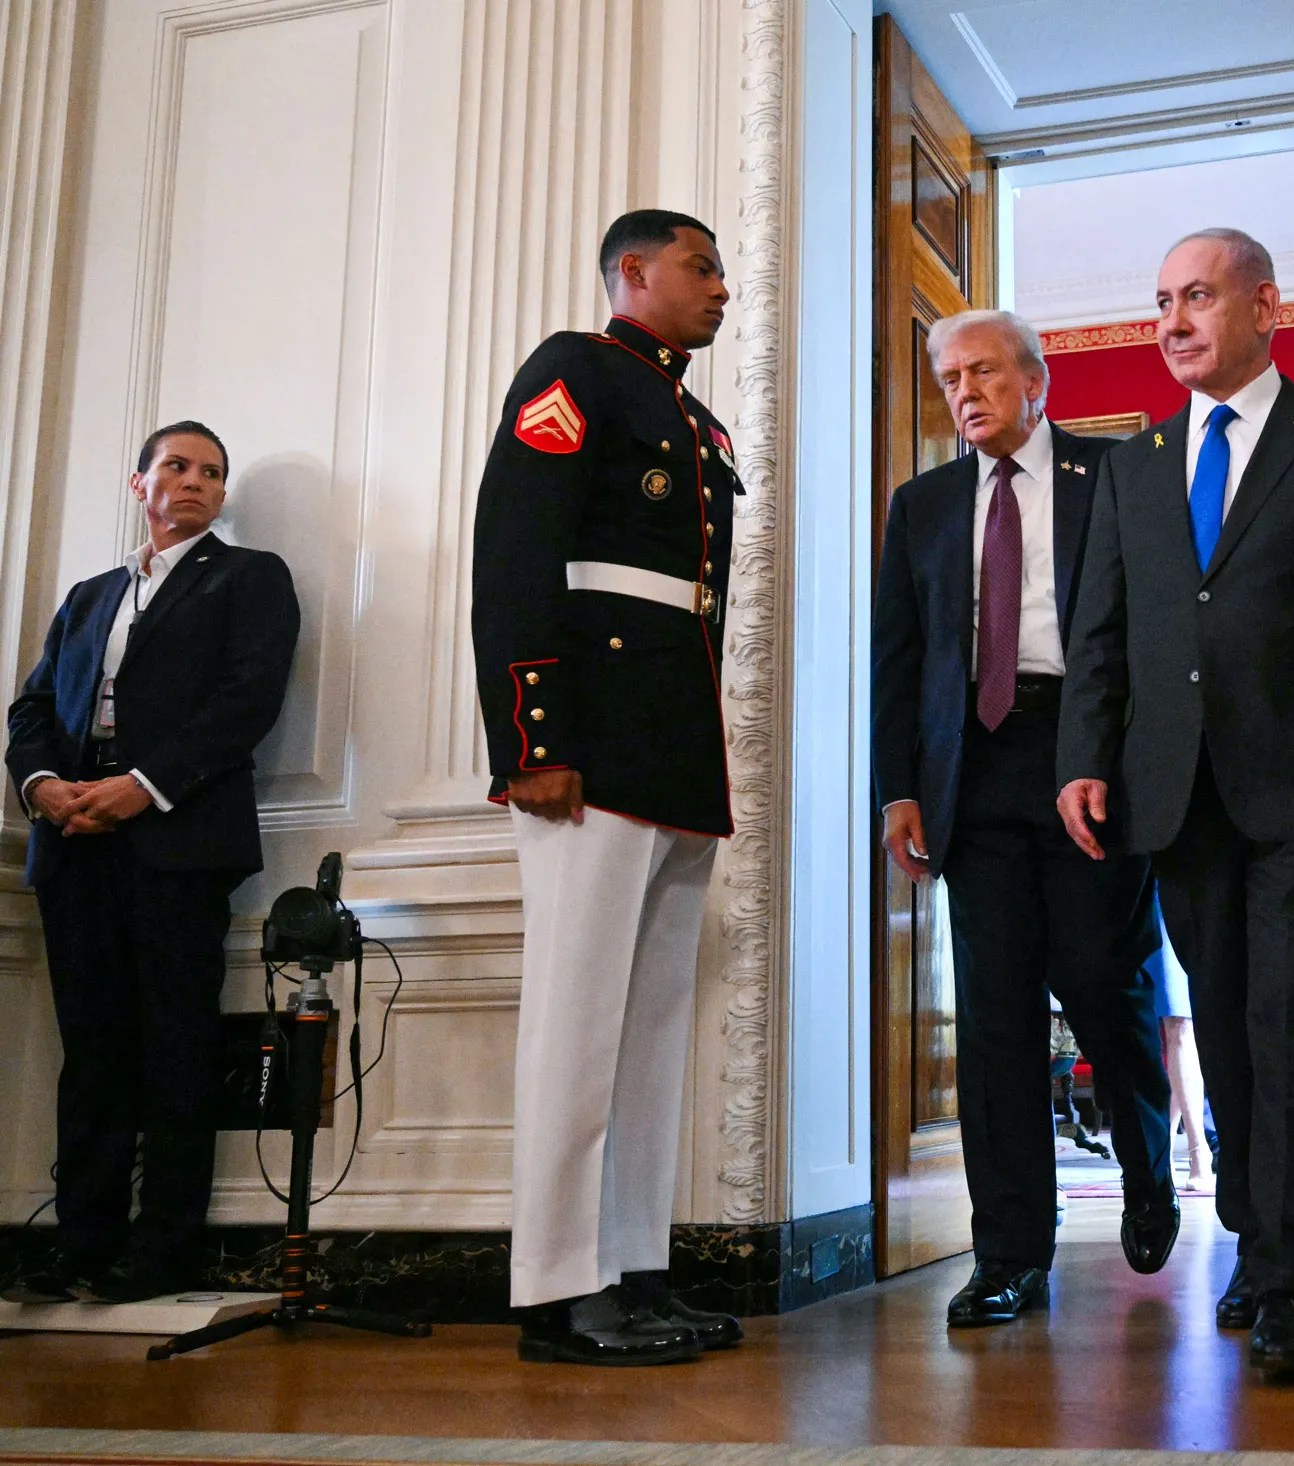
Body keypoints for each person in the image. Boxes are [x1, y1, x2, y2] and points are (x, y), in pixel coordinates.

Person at [1057, 228, 1294, 1381]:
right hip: (1174, 796)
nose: (1172, 321)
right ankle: (1253, 1228)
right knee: (1222, 1029)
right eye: (1160, 301)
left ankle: (1286, 1277)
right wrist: (1084, 752)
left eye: (1198, 297)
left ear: (1265, 307)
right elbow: (1101, 632)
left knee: (1287, 1029)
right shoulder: (1133, 466)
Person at [471, 208, 746, 1367]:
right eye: (701, 266)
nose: (721, 288)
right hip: (585, 736)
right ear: (631, 272)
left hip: (671, 742)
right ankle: (555, 1285)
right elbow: (517, 547)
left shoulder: (694, 413)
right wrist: (531, 733)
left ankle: (632, 1267)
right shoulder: (572, 370)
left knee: (647, 1026)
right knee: (578, 1021)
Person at [872, 310, 1178, 1330]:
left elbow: (1153, 628)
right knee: (996, 1020)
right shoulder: (920, 507)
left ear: (1036, 379)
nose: (965, 390)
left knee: (1103, 980)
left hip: (1087, 757)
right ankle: (1009, 1252)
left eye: (985, 370)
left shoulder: (1118, 473)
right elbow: (900, 663)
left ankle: (1147, 1167)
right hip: (975, 770)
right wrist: (899, 787)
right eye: (950, 376)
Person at [3, 421, 300, 1304]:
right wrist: (46, 785)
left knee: (175, 1044)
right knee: (90, 1050)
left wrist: (144, 784)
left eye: (213, 472)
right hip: (74, 843)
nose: (198, 482)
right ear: (141, 483)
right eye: (178, 466)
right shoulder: (90, 594)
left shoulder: (250, 578)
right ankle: (81, 1243)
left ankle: (163, 1249)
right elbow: (30, 709)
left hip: (177, 844)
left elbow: (248, 700)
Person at [1140, 911, 1212, 1184]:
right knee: (1168, 1025)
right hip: (1146, 894)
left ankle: (1195, 1147)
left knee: (1180, 1022)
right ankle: (1169, 1148)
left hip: (1187, 894)